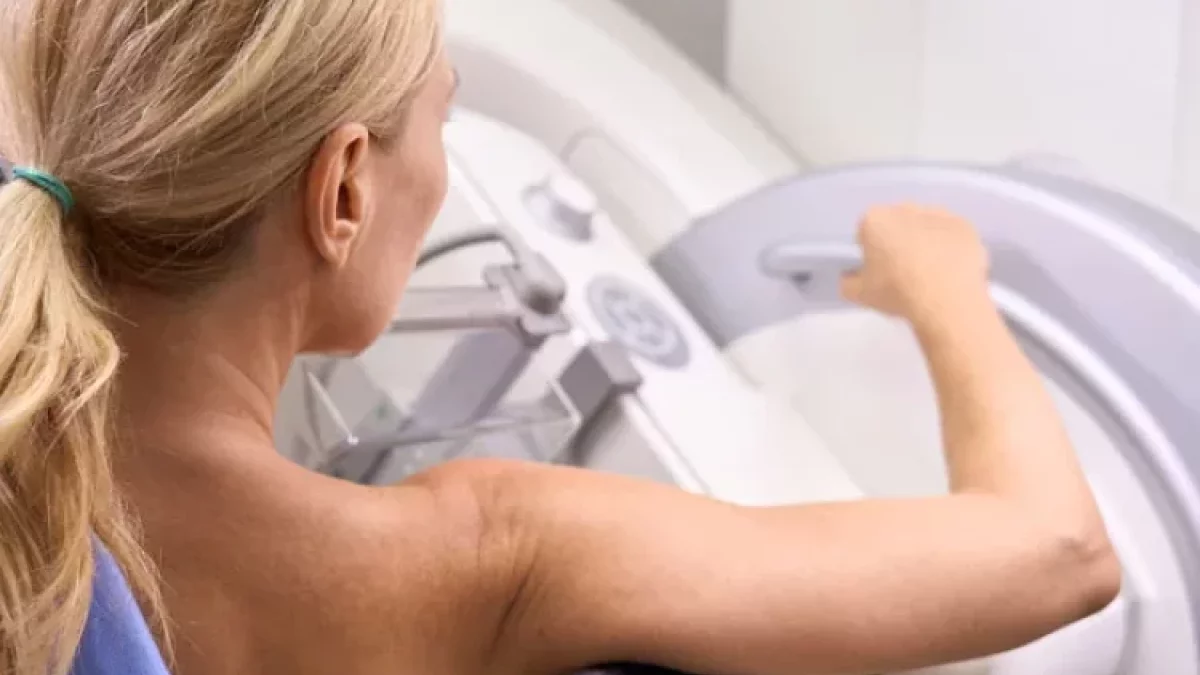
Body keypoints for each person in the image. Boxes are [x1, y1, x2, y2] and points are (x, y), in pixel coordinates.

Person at [0, 1, 1121, 674]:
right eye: (440, 116)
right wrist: (945, 286)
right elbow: (1060, 552)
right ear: (341, 191)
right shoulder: (474, 564)